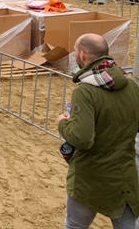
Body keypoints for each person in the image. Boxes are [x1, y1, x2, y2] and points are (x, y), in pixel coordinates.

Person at [57, 34, 139, 229]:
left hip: (90, 175)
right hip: (125, 175)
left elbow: (82, 138)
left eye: (76, 51)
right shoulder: (132, 87)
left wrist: (63, 124)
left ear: (83, 55)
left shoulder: (85, 92)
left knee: (74, 224)